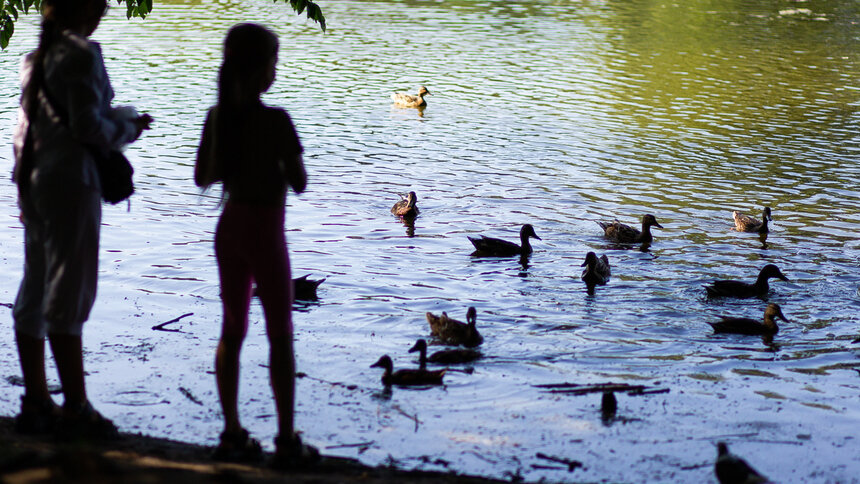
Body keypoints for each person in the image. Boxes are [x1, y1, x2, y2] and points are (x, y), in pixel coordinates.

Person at [10, 0, 152, 438]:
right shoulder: (82, 53)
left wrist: (21, 186)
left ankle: (37, 399)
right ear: (87, 7)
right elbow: (88, 126)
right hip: (73, 183)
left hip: (36, 180)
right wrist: (129, 126)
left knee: (34, 286)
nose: (105, 10)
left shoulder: (35, 59)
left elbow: (26, 130)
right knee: (70, 291)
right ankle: (76, 406)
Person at [195, 23, 316, 467]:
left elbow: (202, 178)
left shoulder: (217, 117)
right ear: (264, 70)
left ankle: (231, 432)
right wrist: (277, 168)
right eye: (275, 61)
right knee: (280, 334)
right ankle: (285, 439)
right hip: (266, 230)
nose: (276, 69)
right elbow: (301, 183)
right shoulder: (277, 120)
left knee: (232, 330)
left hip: (229, 229)